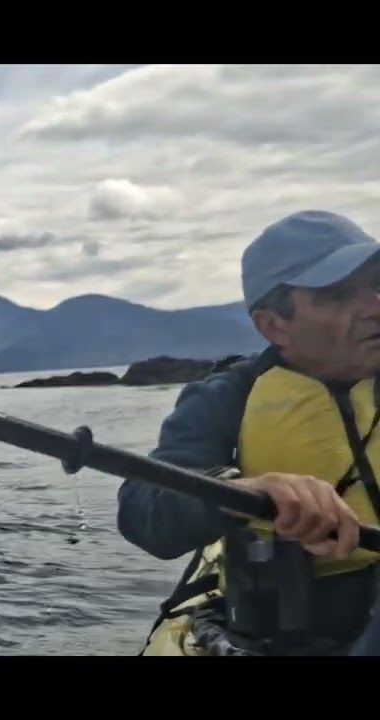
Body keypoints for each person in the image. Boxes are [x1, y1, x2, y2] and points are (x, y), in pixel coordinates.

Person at [119, 209, 380, 656]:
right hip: (298, 628)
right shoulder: (227, 398)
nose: (374, 307)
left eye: (375, 285)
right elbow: (143, 513)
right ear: (273, 325)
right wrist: (242, 490)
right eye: (336, 296)